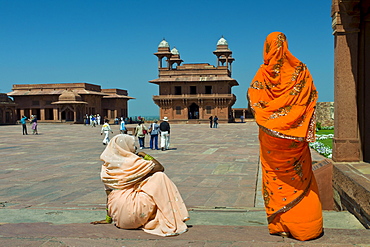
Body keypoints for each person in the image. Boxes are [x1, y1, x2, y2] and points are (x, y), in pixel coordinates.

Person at [247, 32, 322, 241]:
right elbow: (310, 100)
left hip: (271, 140)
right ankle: (306, 228)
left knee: (274, 180)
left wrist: (272, 121)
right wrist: (292, 125)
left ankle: (280, 225)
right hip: (294, 140)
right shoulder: (301, 70)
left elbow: (255, 101)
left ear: (267, 48)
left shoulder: (262, 74)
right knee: (300, 181)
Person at [91, 134, 189, 236]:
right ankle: (168, 215)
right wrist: (145, 155)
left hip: (120, 219)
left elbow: (109, 195)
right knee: (159, 176)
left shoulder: (106, 168)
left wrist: (108, 219)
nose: (135, 148)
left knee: (123, 192)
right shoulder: (134, 162)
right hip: (136, 215)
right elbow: (159, 167)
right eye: (133, 145)